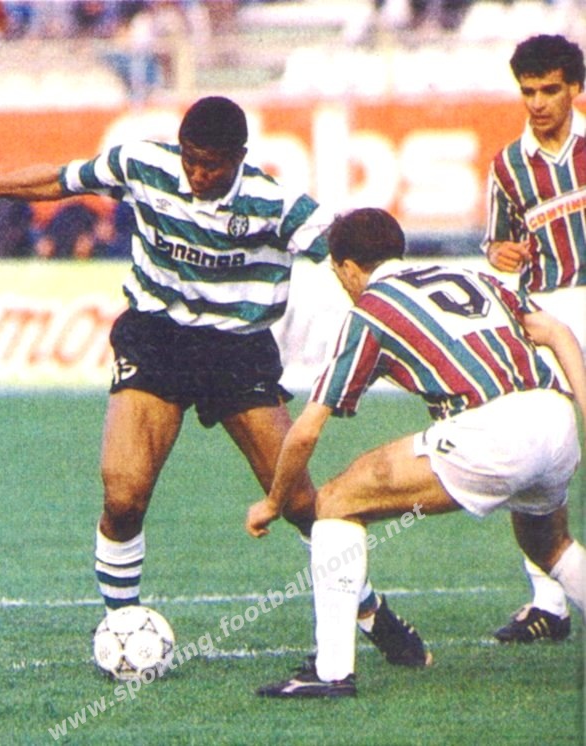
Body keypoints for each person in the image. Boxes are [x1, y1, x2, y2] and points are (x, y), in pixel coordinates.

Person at [0, 97, 428, 669]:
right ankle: (121, 627)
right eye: (191, 159)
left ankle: (371, 613)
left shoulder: (277, 206)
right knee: (123, 496)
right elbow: (61, 180)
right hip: (156, 339)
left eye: (212, 164)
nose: (198, 173)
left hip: (237, 353)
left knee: (301, 504)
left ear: (240, 157)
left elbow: (356, 253)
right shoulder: (144, 165)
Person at [247, 207, 585, 698]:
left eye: (338, 271)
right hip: (555, 417)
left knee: (337, 499)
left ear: (347, 267)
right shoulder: (470, 275)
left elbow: (304, 433)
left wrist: (273, 502)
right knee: (549, 547)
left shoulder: (371, 309)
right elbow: (557, 332)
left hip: (492, 429)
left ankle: (331, 672)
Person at [483, 34, 586, 643]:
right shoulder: (508, 165)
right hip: (547, 313)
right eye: (529, 91)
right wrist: (499, 252)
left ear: (575, 88)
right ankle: (550, 602)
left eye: (551, 90)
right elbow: (498, 244)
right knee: (538, 452)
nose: (539, 102)